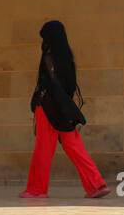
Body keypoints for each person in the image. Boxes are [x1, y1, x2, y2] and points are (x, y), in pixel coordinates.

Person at [22, 20, 109, 199]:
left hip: (47, 107)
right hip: (64, 110)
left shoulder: (49, 56)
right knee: (76, 147)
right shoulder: (67, 57)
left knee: (43, 149)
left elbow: (49, 84)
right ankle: (96, 185)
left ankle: (36, 189)